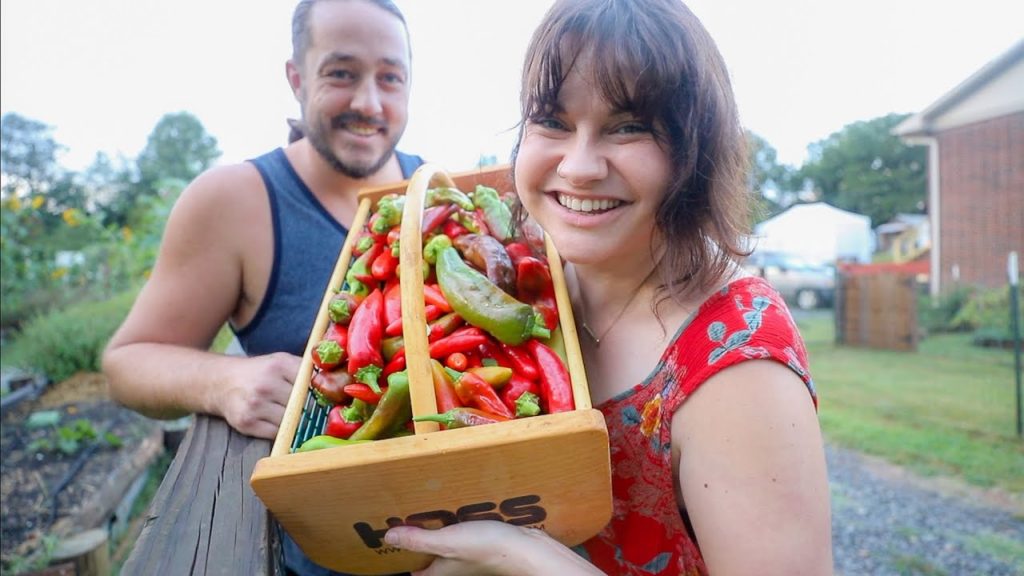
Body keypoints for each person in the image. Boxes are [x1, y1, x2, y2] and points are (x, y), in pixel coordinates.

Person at [382, 0, 833, 574]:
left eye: (628, 127)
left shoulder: (739, 368)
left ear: (695, 152)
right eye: (553, 121)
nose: (579, 166)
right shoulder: (531, 268)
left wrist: (524, 560)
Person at [102, 0, 422, 574]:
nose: (369, 103)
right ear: (297, 79)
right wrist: (224, 380)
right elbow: (126, 363)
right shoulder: (234, 202)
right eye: (341, 73)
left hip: (467, 527)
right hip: (328, 552)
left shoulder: (437, 192)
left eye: (390, 77)